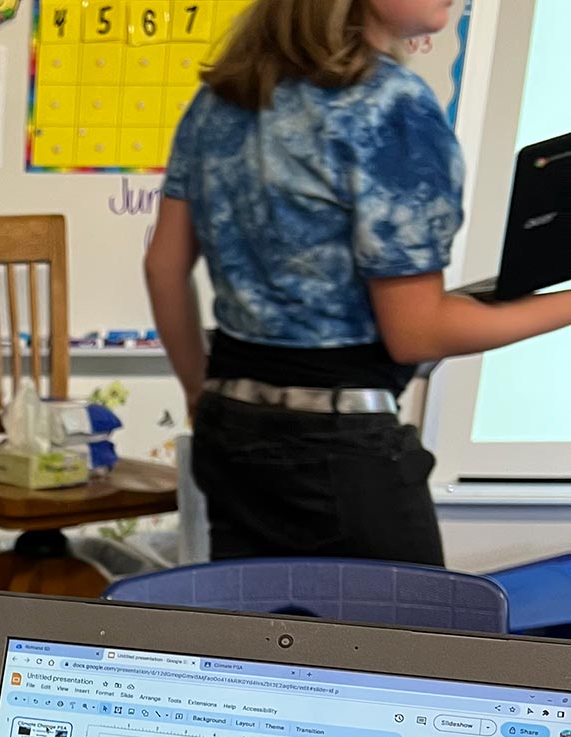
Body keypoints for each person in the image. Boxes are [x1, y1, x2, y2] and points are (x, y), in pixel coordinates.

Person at [145, 0, 571, 564]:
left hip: (231, 433)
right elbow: (417, 335)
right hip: (338, 452)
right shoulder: (390, 108)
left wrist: (200, 391)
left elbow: (163, 267)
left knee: (254, 646)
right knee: (412, 650)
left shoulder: (221, 101)